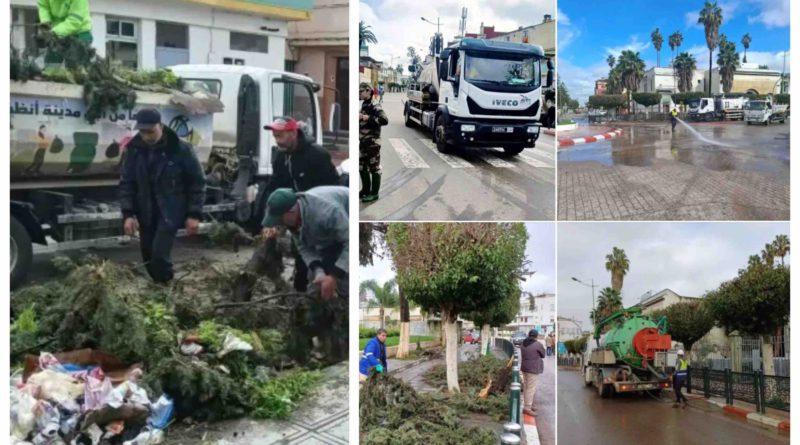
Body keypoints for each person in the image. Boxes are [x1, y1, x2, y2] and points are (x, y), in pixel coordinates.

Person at [119, 109, 205, 284]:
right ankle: (160, 289)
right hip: (146, 211)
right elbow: (127, 183)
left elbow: (197, 183)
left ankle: (167, 287)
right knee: (148, 257)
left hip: (170, 211)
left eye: (150, 131)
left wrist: (194, 214)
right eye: (142, 132)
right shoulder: (134, 151)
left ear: (160, 126)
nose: (146, 136)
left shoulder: (180, 150)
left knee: (159, 256)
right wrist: (128, 214)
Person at [261, 117, 340, 292]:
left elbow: (334, 186)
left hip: (319, 215)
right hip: (293, 215)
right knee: (301, 255)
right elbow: (274, 187)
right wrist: (270, 219)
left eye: (281, 136)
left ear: (294, 133)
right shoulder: (281, 158)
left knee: (324, 257)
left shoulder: (317, 155)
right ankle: (301, 293)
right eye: (275, 136)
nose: (277, 140)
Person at [261, 186, 348, 299]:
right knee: (315, 284)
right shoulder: (293, 220)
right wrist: (318, 271)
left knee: (344, 284)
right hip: (327, 236)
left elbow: (351, 243)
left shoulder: (328, 213)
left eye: (280, 220)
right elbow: (303, 247)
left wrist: (334, 276)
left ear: (291, 212)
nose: (280, 225)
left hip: (350, 222)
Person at [359, 82, 389, 203]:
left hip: (372, 142)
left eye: (361, 91)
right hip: (363, 141)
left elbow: (384, 120)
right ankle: (365, 190)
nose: (359, 93)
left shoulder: (374, 105)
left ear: (368, 91)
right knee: (362, 167)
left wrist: (368, 118)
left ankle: (374, 193)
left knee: (374, 168)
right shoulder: (365, 104)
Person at [521, 329, 546, 416]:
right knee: (531, 388)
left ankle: (528, 404)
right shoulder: (537, 344)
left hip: (524, 367)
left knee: (526, 387)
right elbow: (543, 354)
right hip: (533, 369)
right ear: (536, 336)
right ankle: (527, 408)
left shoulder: (523, 343)